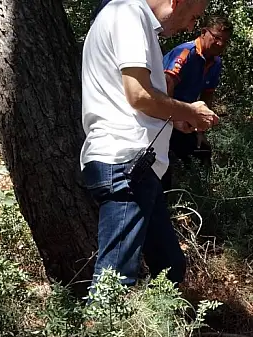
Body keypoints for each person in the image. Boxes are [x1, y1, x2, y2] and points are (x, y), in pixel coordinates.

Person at [80, 0, 218, 290]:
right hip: (125, 161)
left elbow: (130, 100)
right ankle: (102, 321)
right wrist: (189, 111)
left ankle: (161, 317)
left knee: (170, 266)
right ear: (176, 2)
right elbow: (139, 95)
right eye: (193, 17)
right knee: (114, 282)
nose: (190, 27)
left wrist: (175, 120)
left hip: (138, 166)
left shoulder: (132, 18)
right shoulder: (128, 13)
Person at [161, 15, 234, 189]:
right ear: (203, 32)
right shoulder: (186, 53)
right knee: (163, 166)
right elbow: (166, 86)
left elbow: (207, 95)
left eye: (225, 41)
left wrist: (201, 129)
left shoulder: (216, 63)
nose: (220, 44)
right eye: (216, 38)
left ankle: (200, 194)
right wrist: (171, 121)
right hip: (162, 115)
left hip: (185, 117)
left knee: (202, 152)